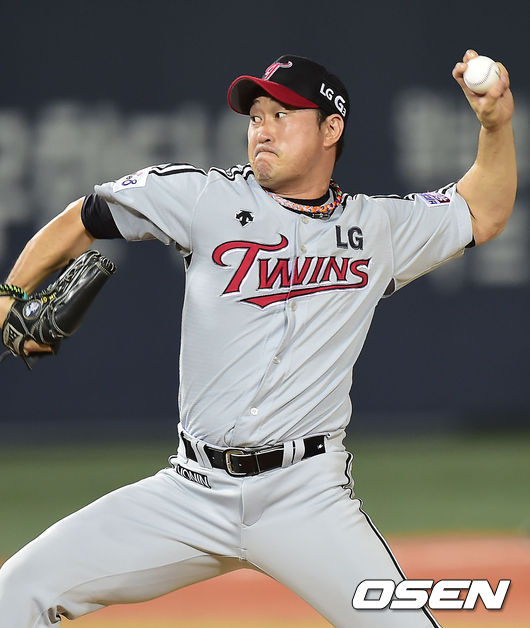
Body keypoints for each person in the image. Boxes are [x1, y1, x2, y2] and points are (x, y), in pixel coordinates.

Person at [0, 50, 516, 627]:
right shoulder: (206, 198)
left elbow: (481, 211)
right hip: (191, 492)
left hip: (305, 497)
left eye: (282, 115)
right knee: (16, 592)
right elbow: (87, 215)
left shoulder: (377, 229)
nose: (262, 130)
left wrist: (495, 126)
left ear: (331, 129)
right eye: (255, 117)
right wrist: (8, 296)